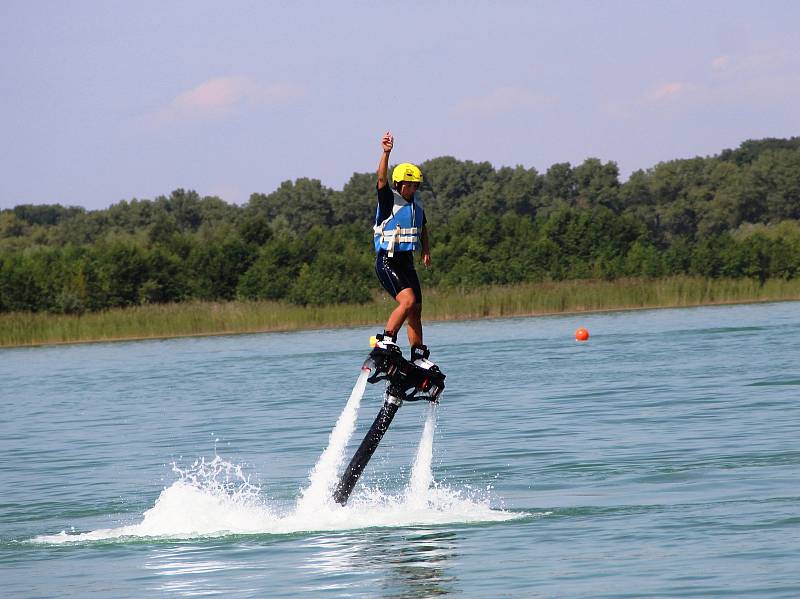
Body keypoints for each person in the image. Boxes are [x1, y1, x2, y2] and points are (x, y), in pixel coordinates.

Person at [372, 131, 433, 366]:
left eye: (416, 185)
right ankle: (386, 340)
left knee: (416, 308)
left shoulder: (417, 208)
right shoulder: (389, 200)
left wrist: (426, 250)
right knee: (406, 301)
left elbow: (423, 228)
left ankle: (417, 355)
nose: (414, 188)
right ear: (400, 184)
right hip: (387, 260)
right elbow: (380, 179)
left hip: (407, 262)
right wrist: (386, 153)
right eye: (410, 184)